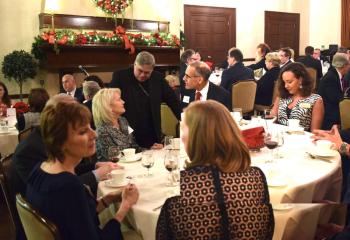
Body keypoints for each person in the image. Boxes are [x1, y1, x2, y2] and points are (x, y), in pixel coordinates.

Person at [156, 100, 274, 240]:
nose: (181, 137)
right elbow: (267, 231)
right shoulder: (256, 178)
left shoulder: (181, 191)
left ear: (196, 136)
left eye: (184, 129)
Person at [25, 100, 139, 239]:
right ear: (60, 142)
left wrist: (109, 199)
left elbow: (76, 218)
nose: (94, 135)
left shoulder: (40, 169)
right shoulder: (68, 186)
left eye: (90, 127)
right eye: (83, 132)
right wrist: (125, 207)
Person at [109, 51, 181, 148]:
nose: (143, 75)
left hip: (152, 131)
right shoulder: (120, 77)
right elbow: (110, 102)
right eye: (140, 70)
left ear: (152, 69)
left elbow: (173, 102)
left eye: (147, 72)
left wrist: (186, 121)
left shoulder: (158, 78)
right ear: (134, 64)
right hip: (129, 131)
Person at [93, 88, 154, 162]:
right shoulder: (102, 131)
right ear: (108, 106)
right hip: (112, 170)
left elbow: (134, 147)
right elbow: (111, 159)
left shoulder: (123, 121)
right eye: (119, 100)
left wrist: (150, 150)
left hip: (130, 166)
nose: (123, 102)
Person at [271, 62, 324, 132]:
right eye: (284, 82)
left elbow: (315, 132)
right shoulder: (281, 97)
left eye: (289, 82)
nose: (285, 86)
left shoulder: (316, 100)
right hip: (280, 139)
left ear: (300, 80)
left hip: (302, 140)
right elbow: (272, 120)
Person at [318, 53, 350, 130]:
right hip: (329, 118)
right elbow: (336, 99)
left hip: (333, 110)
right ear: (344, 65)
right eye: (349, 64)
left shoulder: (335, 74)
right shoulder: (330, 78)